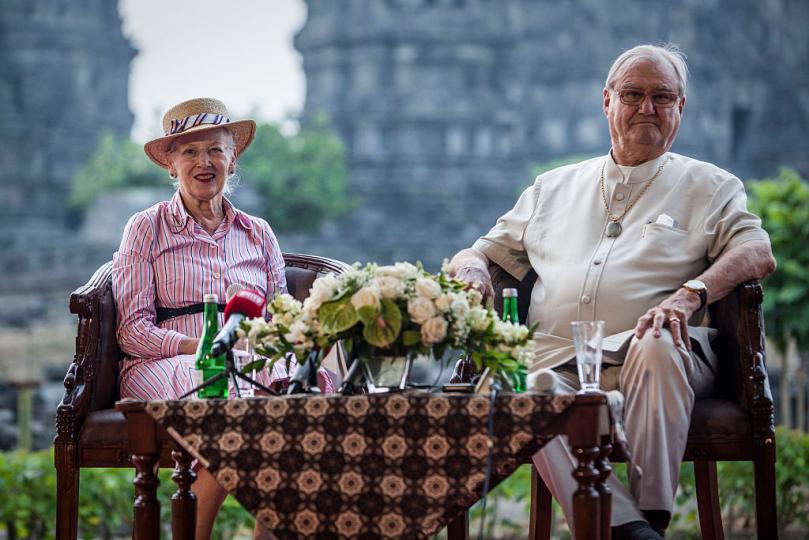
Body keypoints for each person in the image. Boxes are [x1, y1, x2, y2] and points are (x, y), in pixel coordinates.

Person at [448, 44, 775, 540]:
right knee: (519, 388)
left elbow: (757, 251)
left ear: (680, 108)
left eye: (663, 97)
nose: (648, 108)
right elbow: (479, 253)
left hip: (662, 355)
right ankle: (630, 530)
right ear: (607, 102)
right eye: (633, 94)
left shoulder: (711, 186)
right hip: (557, 359)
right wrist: (471, 270)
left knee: (659, 342)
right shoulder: (551, 188)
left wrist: (689, 295)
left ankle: (650, 513)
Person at [113, 97, 332, 539]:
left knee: (299, 391)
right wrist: (203, 346)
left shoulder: (258, 232)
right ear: (170, 166)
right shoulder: (146, 228)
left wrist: (264, 337)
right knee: (224, 387)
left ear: (233, 161)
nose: (204, 161)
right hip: (162, 363)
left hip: (245, 359)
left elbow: (282, 322)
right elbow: (131, 330)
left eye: (215, 149)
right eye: (189, 152)